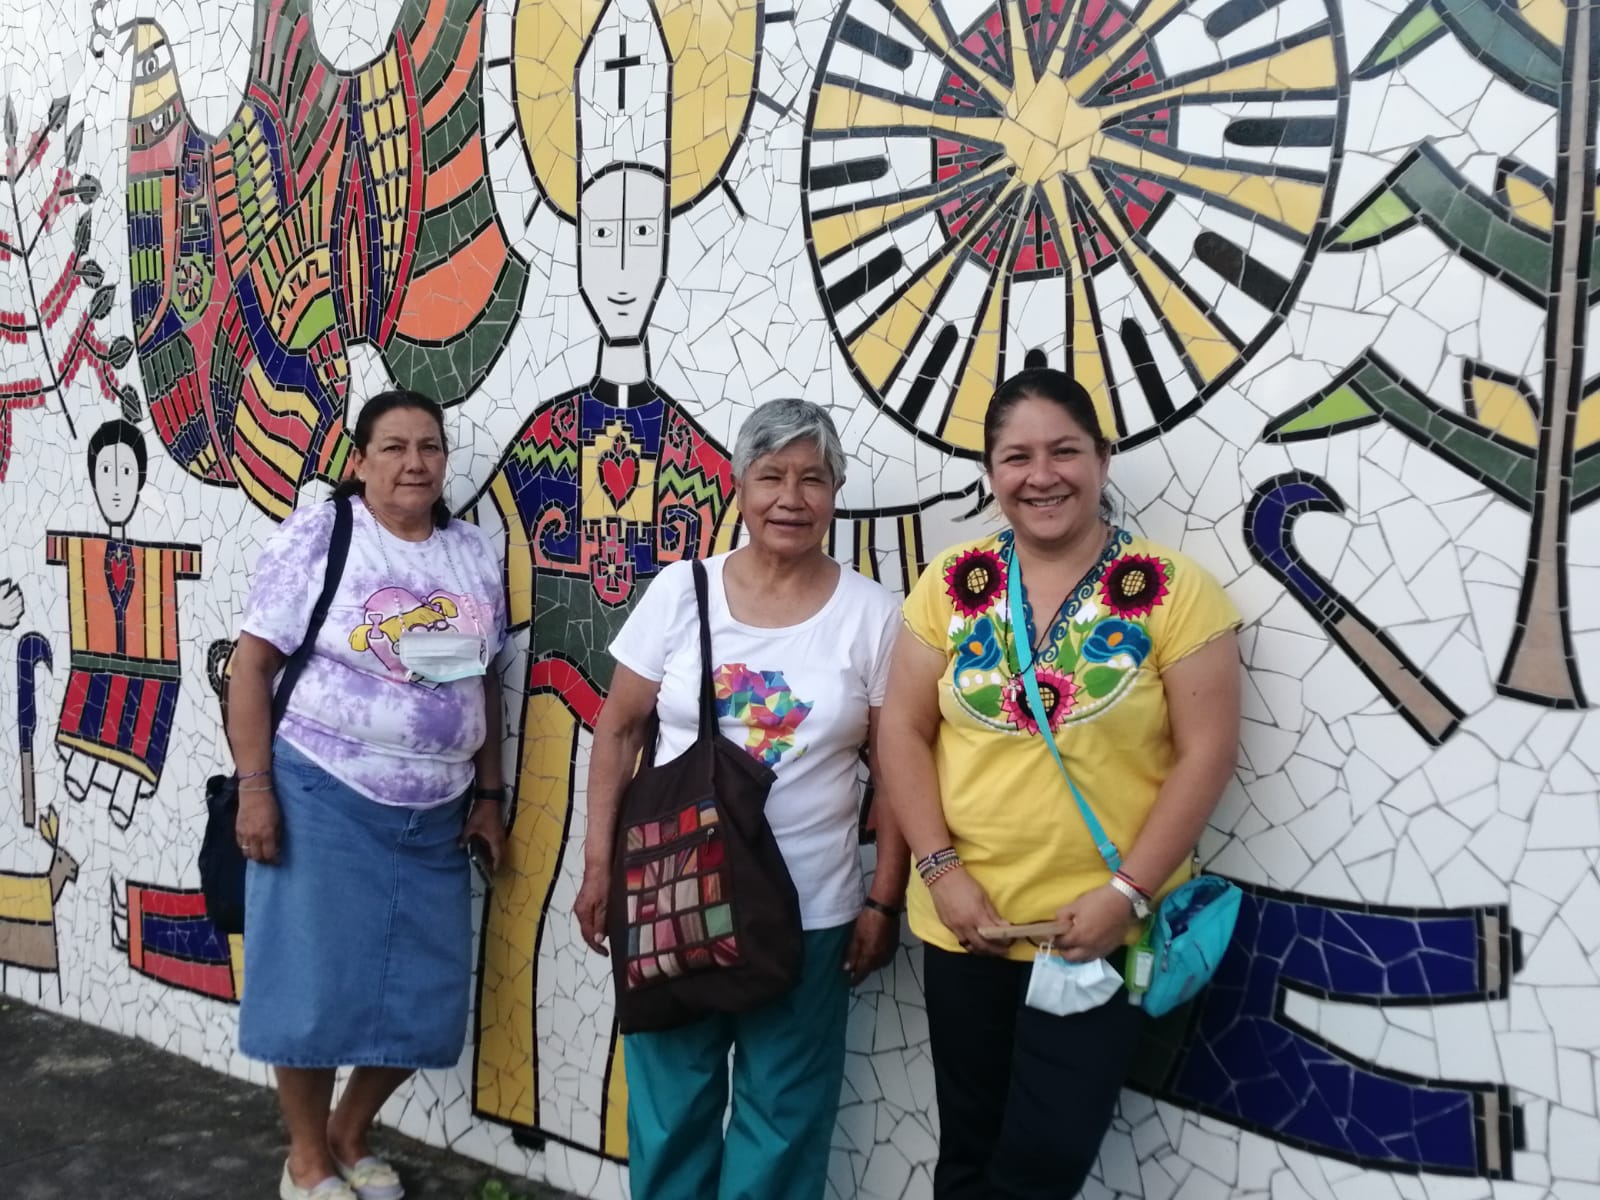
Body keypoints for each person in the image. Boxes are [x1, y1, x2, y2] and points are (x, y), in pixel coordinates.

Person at [878, 368, 1242, 1198]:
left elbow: (1207, 753)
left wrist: (1127, 891)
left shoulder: (1175, 592)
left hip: (1097, 935)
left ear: (1103, 461)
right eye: (1016, 457)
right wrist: (942, 873)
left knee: (1043, 1165)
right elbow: (900, 728)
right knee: (968, 1150)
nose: (1041, 475)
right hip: (965, 922)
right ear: (992, 473)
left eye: (1064, 451)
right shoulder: (952, 583)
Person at [574, 398, 909, 1200]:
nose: (791, 498)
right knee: (671, 1106)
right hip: (671, 897)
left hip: (813, 910)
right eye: (771, 476)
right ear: (739, 485)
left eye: (813, 478)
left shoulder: (874, 616)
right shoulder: (679, 593)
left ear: (836, 493)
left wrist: (883, 900)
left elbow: (899, 771)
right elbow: (617, 732)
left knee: (784, 1115)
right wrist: (598, 871)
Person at [228, 389, 509, 1200]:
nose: (414, 462)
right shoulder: (323, 535)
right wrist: (256, 789)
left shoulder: (469, 551)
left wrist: (490, 794)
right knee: (315, 987)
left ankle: (351, 1134)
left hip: (436, 811)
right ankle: (308, 1159)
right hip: (323, 789)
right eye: (392, 447)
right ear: (358, 461)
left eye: (429, 446)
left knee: (422, 993)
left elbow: (481, 678)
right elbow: (252, 668)